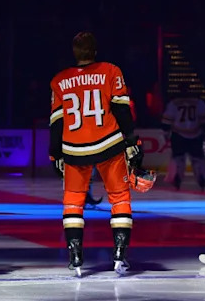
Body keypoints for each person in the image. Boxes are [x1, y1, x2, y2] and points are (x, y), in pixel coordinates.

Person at [49, 32, 143, 277]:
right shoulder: (111, 70)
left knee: (73, 203)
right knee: (120, 198)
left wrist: (54, 153)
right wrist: (132, 140)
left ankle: (76, 256)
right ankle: (120, 255)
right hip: (108, 143)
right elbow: (122, 109)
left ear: (74, 51)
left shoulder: (59, 80)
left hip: (74, 148)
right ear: (95, 50)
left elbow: (56, 122)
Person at [161, 91, 205, 191]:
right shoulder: (198, 102)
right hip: (196, 134)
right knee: (198, 159)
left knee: (178, 160)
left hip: (178, 135)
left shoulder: (173, 103)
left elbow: (166, 121)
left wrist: (166, 134)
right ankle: (202, 179)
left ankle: (176, 180)